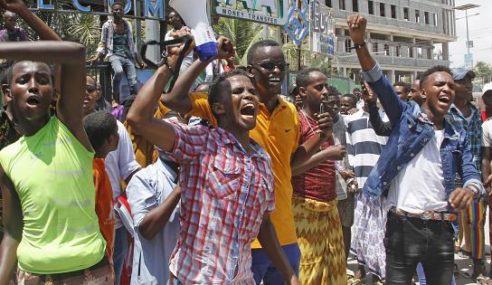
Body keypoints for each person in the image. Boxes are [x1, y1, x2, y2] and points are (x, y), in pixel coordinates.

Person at [161, 38, 331, 284]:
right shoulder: (227, 103)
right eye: (268, 66)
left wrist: (320, 138)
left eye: (280, 66)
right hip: (242, 240)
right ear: (251, 72)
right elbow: (173, 100)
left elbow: (288, 165)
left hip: (282, 231)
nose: (276, 72)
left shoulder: (290, 111)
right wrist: (207, 56)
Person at [126, 43, 300, 284]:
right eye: (238, 92)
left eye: (251, 92)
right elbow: (137, 119)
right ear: (218, 107)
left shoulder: (261, 160)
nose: (248, 95)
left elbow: (263, 223)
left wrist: (290, 275)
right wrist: (168, 66)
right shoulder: (200, 143)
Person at [347, 14, 483, 284]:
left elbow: (471, 171)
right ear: (422, 92)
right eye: (440, 84)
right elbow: (379, 82)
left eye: (450, 86)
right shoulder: (405, 116)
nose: (447, 89)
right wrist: (360, 43)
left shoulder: (458, 134)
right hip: (402, 227)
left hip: (443, 228)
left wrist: (469, 189)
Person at [0, 40, 111, 284]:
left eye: (42, 80)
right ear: (8, 93)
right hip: (33, 276)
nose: (33, 86)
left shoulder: (68, 128)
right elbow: (12, 231)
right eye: (23, 80)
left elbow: (75, 52)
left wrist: (20, 16)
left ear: (54, 91)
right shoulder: (7, 157)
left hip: (88, 274)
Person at [290, 68, 347, 284]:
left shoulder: (326, 120)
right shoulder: (297, 121)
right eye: (318, 87)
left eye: (326, 86)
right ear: (303, 92)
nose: (325, 91)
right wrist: (327, 154)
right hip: (304, 207)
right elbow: (292, 168)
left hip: (329, 206)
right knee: (308, 271)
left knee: (333, 268)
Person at [345, 80, 388, 283]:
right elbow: (349, 150)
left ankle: (380, 272)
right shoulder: (351, 120)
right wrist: (352, 176)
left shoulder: (389, 119)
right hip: (361, 182)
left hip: (383, 185)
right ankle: (362, 268)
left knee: (381, 230)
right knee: (361, 229)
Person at [448, 67, 485, 279]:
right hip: (451, 176)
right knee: (449, 222)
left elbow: (480, 148)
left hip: (474, 176)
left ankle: (478, 265)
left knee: (476, 221)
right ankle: (449, 263)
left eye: (470, 81)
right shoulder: (446, 112)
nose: (469, 85)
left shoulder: (475, 114)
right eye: (463, 81)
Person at [126, 150, 180, 284]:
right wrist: (180, 189)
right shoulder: (144, 178)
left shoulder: (199, 178)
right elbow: (147, 230)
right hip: (155, 278)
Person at [83, 111, 119, 263]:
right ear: (110, 139)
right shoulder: (93, 172)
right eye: (116, 132)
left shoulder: (97, 167)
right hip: (96, 256)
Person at [96, 1, 145, 103]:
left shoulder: (127, 24)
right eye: (116, 10)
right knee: (118, 71)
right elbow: (103, 42)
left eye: (120, 10)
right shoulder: (107, 25)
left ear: (123, 12)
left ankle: (134, 101)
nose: (118, 11)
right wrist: (97, 56)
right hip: (113, 55)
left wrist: (140, 61)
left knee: (133, 80)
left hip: (127, 56)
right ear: (112, 12)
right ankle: (116, 93)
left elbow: (132, 44)